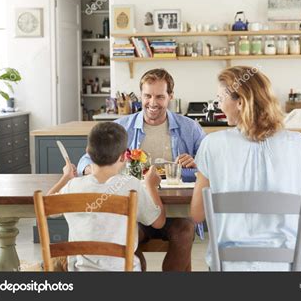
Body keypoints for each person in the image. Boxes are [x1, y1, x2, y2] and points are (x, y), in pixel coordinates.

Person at [190, 66, 301, 271]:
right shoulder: (298, 143)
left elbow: (197, 214)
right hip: (286, 266)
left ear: (240, 102)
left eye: (220, 99)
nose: (219, 106)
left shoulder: (212, 144)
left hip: (230, 267)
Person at [77, 68, 205, 271]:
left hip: (176, 211)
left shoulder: (190, 128)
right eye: (147, 96)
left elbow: (210, 163)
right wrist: (93, 170)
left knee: (184, 231)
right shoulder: (121, 127)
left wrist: (198, 162)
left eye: (160, 97)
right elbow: (86, 159)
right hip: (135, 209)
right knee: (127, 233)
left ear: (170, 96)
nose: (153, 103)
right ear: (141, 96)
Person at [47, 122, 165, 271]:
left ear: (88, 153)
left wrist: (65, 177)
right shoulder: (132, 185)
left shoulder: (73, 186)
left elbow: (48, 208)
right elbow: (158, 223)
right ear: (124, 157)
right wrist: (151, 185)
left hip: (81, 271)